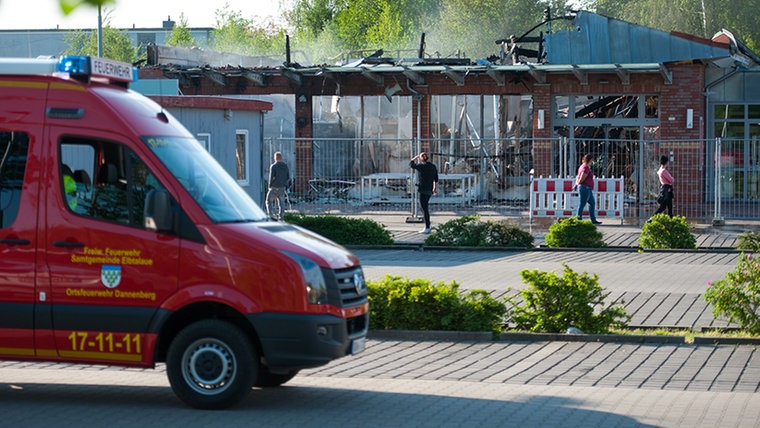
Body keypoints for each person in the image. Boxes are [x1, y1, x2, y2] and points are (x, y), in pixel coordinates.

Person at [410, 151, 438, 234]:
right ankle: (427, 225)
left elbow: (411, 164)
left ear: (421, 159)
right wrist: (434, 188)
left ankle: (427, 226)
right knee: (424, 207)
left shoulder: (421, 166)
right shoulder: (433, 166)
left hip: (422, 189)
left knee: (424, 208)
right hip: (429, 189)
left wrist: (416, 157)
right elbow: (435, 179)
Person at [575, 153, 602, 225]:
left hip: (587, 188)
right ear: (590, 160)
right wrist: (578, 183)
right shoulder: (586, 168)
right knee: (582, 204)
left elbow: (578, 176)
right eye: (592, 160)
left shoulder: (582, 166)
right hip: (585, 188)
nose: (592, 161)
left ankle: (593, 220)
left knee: (592, 203)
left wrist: (577, 183)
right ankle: (578, 220)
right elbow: (582, 178)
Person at [266, 151, 290, 220]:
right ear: (281, 158)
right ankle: (281, 216)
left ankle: (271, 215)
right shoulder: (285, 166)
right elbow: (288, 177)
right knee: (281, 202)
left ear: (275, 158)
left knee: (268, 201)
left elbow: (271, 177)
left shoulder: (273, 166)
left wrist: (269, 186)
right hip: (282, 187)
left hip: (274, 186)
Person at [650, 155, 674, 220]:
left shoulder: (660, 170)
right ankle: (652, 218)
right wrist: (672, 178)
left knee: (669, 206)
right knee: (664, 207)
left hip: (665, 189)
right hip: (667, 189)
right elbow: (671, 180)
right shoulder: (664, 171)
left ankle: (670, 219)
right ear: (667, 162)